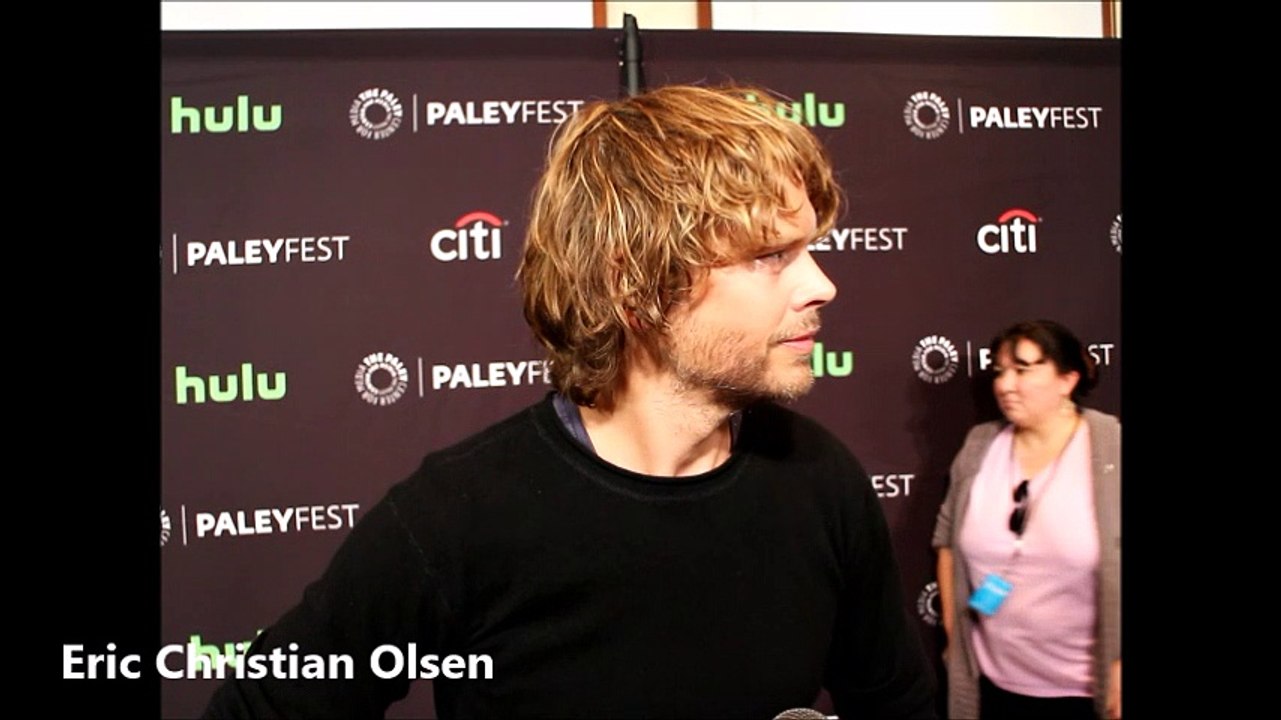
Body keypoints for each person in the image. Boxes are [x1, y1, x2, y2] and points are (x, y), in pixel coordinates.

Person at [203, 83, 936, 719]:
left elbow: (896, 705)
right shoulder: (459, 514)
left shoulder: (819, 479)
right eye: (769, 256)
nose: (821, 286)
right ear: (634, 283)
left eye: (807, 249)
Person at [932, 320, 1120, 719]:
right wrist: (955, 634)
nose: (1005, 385)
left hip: (1085, 692)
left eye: (1023, 369)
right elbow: (947, 543)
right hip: (992, 688)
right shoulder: (979, 445)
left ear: (1067, 379)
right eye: (1000, 371)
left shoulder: (1112, 449)